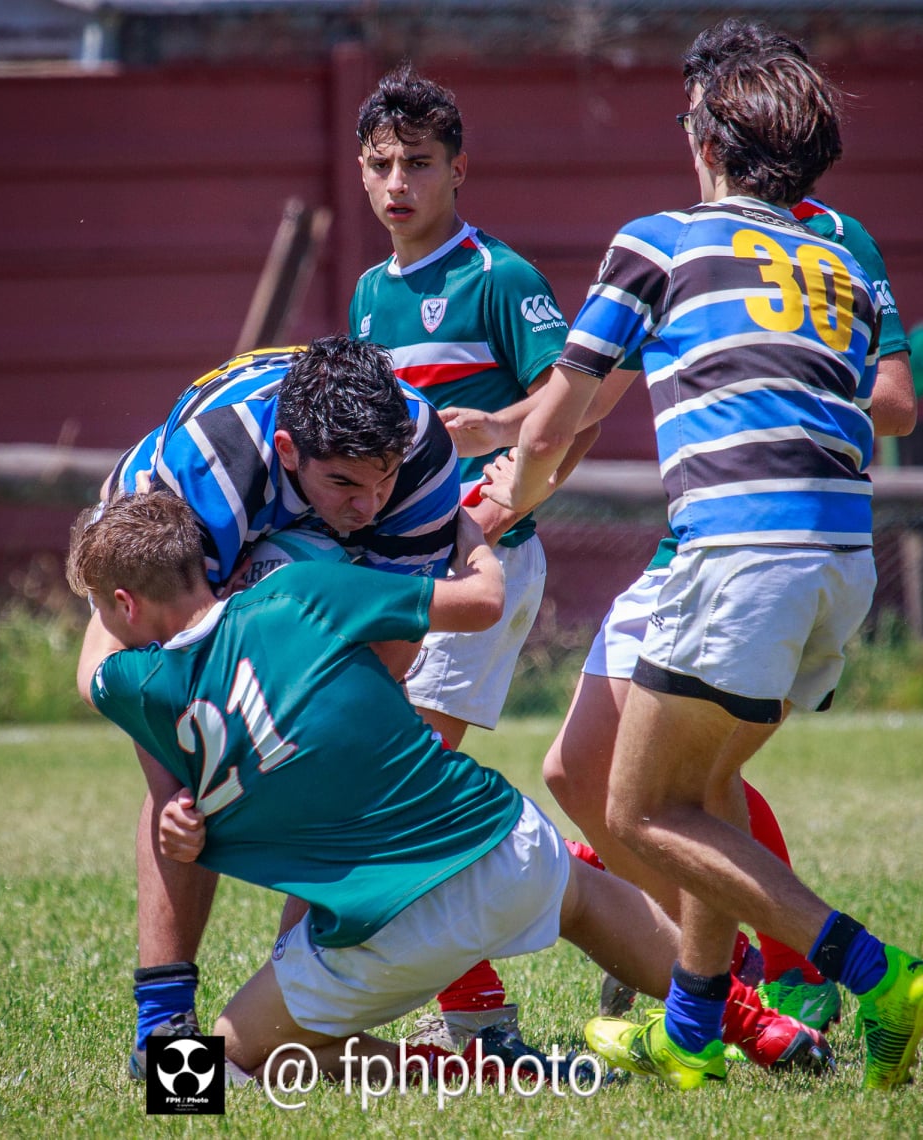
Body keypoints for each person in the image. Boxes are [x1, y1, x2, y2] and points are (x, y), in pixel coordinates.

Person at [489, 41, 923, 1091]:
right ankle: (693, 1030)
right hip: (839, 557)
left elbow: (563, 410)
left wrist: (501, 505)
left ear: (705, 141)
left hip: (741, 553)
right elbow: (868, 402)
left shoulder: (656, 241)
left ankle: (873, 972)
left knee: (647, 808)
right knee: (703, 789)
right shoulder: (835, 261)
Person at [70, 490, 692, 1085]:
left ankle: (454, 1070)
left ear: (124, 605)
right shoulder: (298, 590)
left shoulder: (140, 685)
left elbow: (91, 669)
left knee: (201, 1070)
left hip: (379, 936)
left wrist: (112, 503)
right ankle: (735, 1018)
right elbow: (481, 600)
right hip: (504, 846)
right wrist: (471, 539)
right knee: (581, 898)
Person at [95, 336, 462, 1077]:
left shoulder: (419, 452)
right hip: (169, 533)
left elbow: (388, 656)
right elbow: (147, 675)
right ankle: (164, 1031)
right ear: (290, 450)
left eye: (382, 480)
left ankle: (279, 1019)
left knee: (332, 756)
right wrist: (177, 795)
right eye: (345, 485)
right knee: (192, 779)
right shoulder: (206, 470)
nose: (370, 504)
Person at [346, 61, 605, 1064]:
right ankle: (605, 890)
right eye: (381, 164)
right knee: (393, 785)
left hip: (480, 569)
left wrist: (500, 494)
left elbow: (571, 415)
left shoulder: (499, 278)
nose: (398, 181)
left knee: (397, 785)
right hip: (408, 575)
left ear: (460, 170)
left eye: (418, 162)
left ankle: (484, 1021)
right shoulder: (372, 293)